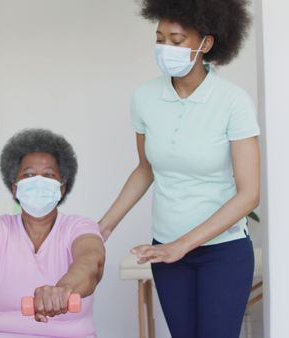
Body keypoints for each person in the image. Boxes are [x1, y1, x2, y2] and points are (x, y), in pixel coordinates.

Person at [98, 0, 260, 337]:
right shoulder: (144, 97)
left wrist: (182, 245)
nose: (164, 48)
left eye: (175, 40)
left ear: (206, 44)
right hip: (166, 250)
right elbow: (145, 169)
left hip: (223, 252)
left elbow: (249, 195)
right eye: (159, 39)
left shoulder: (233, 101)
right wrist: (104, 226)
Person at [0, 129, 105, 338]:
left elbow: (91, 263)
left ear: (62, 188)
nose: (38, 181)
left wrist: (64, 289)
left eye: (49, 175)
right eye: (28, 175)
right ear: (15, 188)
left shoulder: (79, 226)